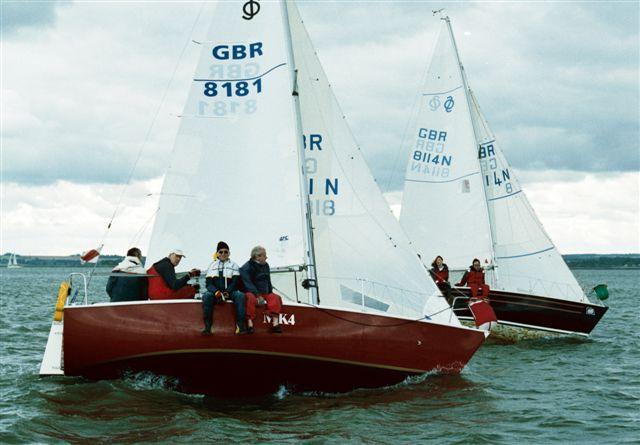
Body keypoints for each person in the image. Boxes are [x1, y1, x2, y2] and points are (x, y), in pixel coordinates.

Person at [201, 241, 247, 335]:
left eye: (226, 252)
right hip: (216, 293)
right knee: (206, 296)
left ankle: (240, 326)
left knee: (240, 295)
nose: (223, 254)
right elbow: (208, 284)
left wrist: (227, 292)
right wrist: (216, 292)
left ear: (229, 253)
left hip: (230, 292)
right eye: (221, 252)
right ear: (217, 253)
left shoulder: (234, 265)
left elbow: (235, 282)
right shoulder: (212, 265)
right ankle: (207, 327)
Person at [240, 245, 283, 334]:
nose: (266, 257)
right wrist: (258, 295)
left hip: (265, 292)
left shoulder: (266, 265)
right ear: (258, 256)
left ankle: (275, 324)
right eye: (264, 255)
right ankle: (249, 323)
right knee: (249, 298)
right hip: (252, 292)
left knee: (276, 298)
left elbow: (268, 280)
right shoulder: (246, 267)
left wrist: (270, 291)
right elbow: (248, 283)